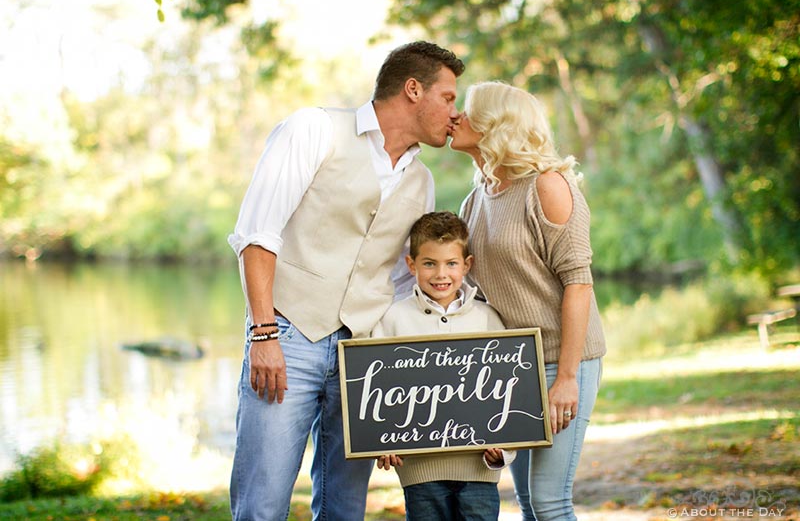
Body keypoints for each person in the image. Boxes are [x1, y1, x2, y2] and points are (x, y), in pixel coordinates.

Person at [226, 41, 465, 521]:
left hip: (363, 355)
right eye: (449, 97)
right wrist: (264, 333)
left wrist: (395, 375)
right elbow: (257, 234)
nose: (454, 113)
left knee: (345, 508)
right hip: (289, 336)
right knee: (263, 503)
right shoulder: (314, 130)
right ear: (413, 89)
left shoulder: (423, 182)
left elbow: (402, 282)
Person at [451, 81, 606, 521]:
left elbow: (579, 283)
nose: (456, 117)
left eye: (468, 111)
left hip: (564, 361)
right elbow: (476, 300)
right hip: (514, 367)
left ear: (494, 125)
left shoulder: (547, 187)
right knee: (525, 502)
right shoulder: (473, 200)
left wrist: (568, 379)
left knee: (549, 501)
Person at [372, 211, 515, 521]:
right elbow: (378, 391)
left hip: (479, 470)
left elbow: (509, 393)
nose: (441, 274)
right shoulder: (393, 319)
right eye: (429, 263)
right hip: (420, 471)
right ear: (411, 265)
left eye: (451, 263)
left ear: (467, 265)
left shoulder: (488, 318)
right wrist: (381, 439)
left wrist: (503, 451)